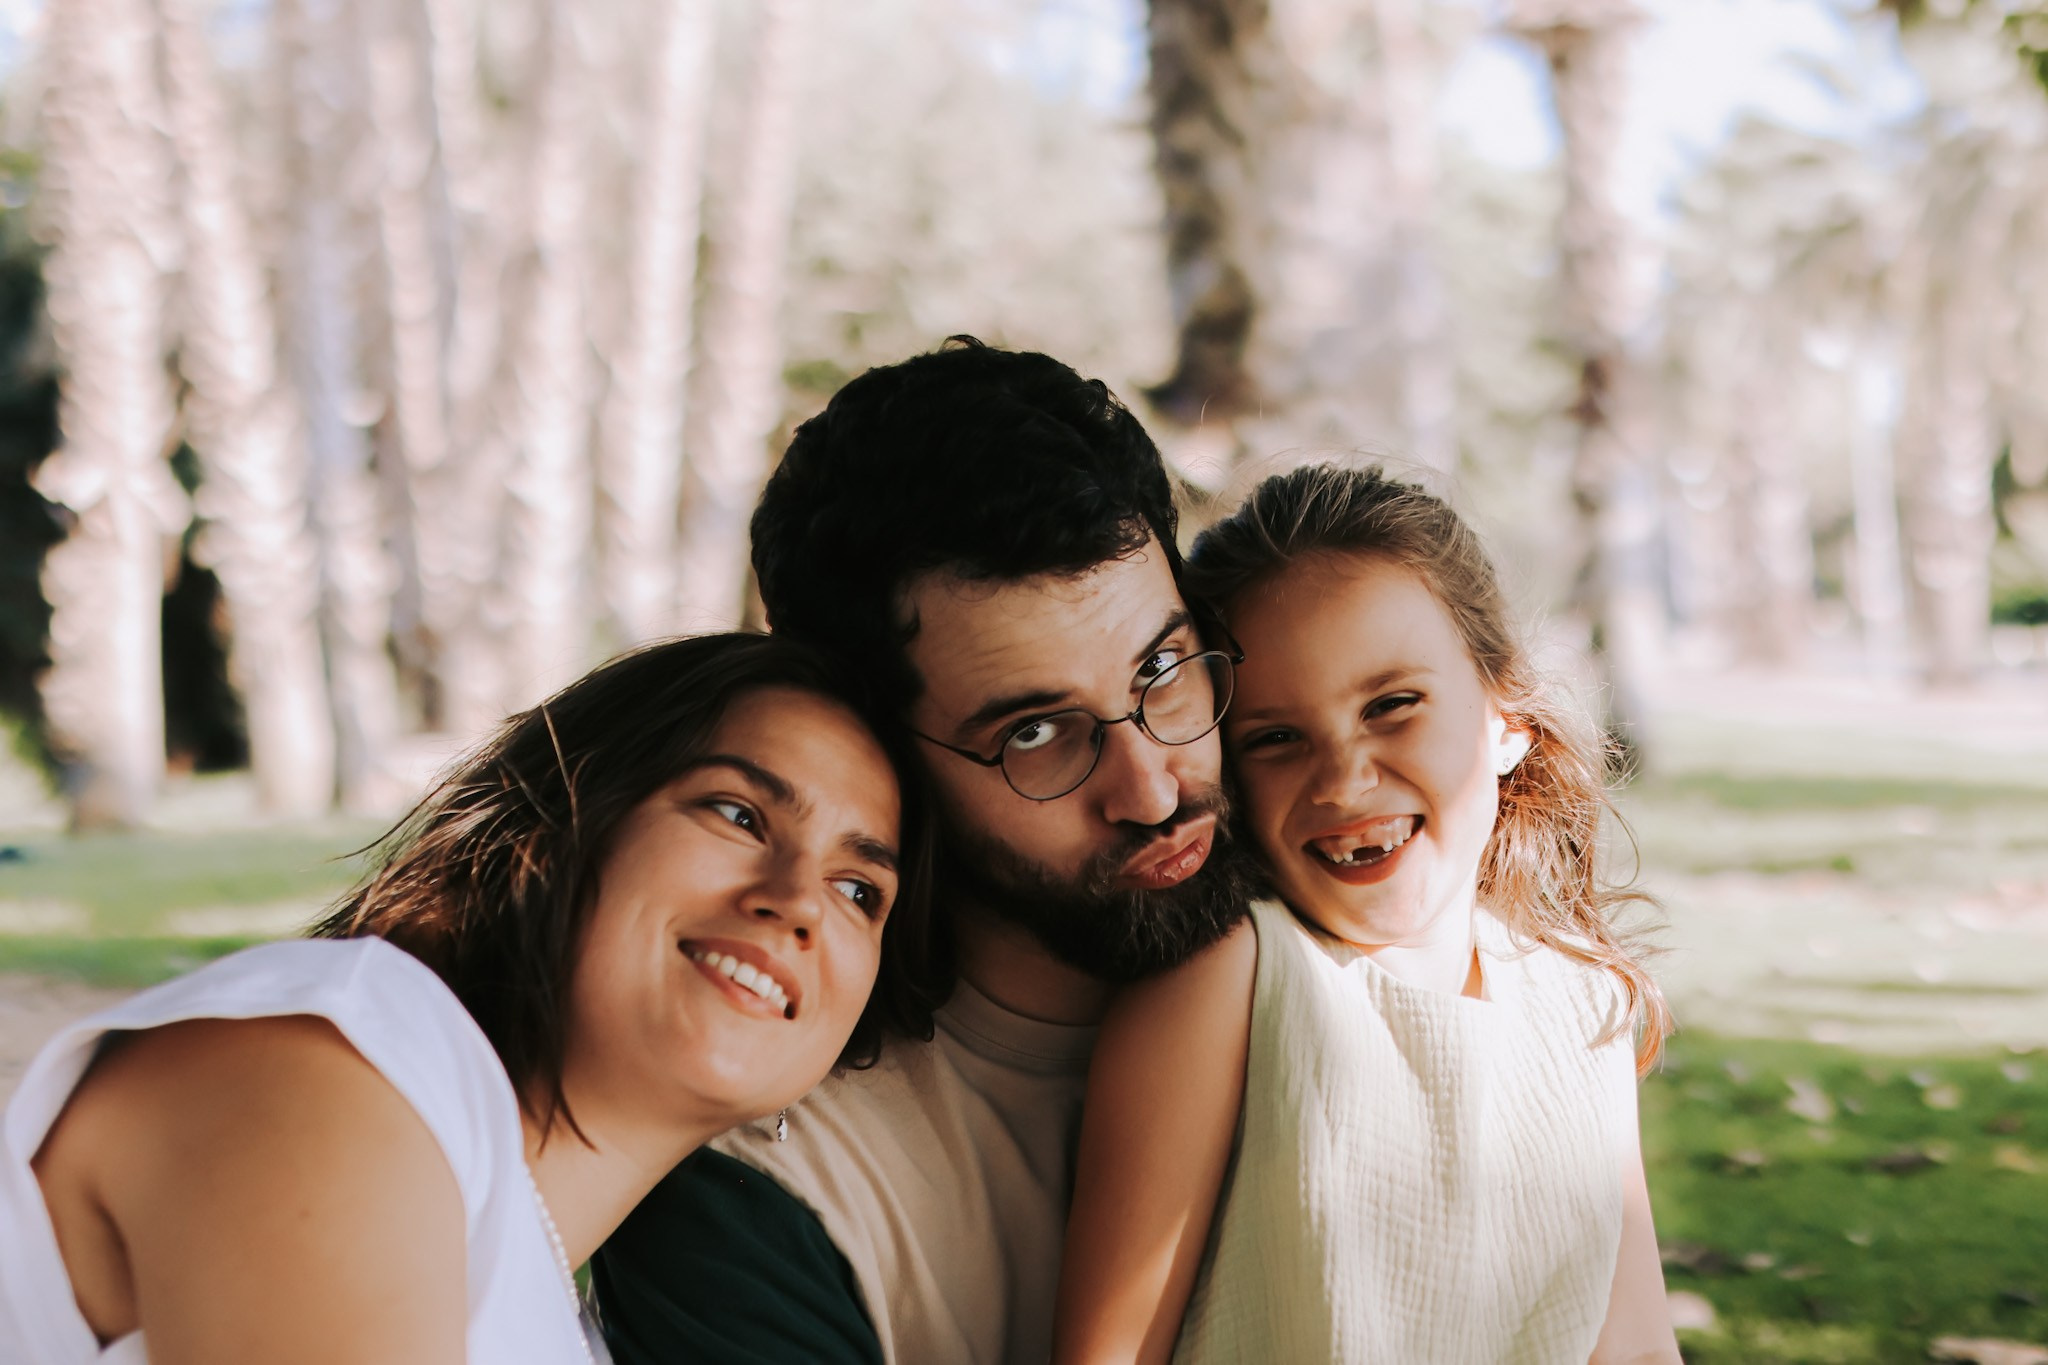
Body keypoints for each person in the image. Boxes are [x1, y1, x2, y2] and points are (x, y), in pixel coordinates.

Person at [595, 339, 1263, 1364]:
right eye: (1035, 733)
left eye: (1163, 669)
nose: (1151, 787)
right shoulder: (763, 1194)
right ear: (886, 758)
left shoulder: (1373, 946)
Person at [1, 632, 932, 1365]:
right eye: (737, 812)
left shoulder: (560, 1313)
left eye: (862, 891)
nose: (800, 899)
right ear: (567, 816)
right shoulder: (335, 1063)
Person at [1053, 464, 1683, 1364]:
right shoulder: (1236, 980)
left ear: (1507, 716)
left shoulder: (1583, 1007)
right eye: (1276, 738)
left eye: (1392, 706)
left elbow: (1638, 1350)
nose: (1344, 779)